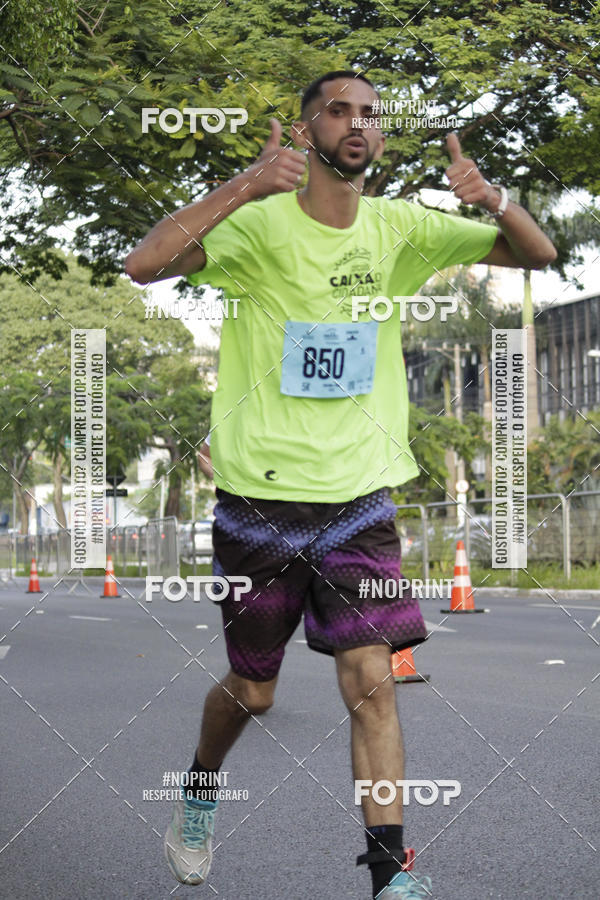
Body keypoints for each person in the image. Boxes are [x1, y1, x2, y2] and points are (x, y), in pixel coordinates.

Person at [126, 71, 556, 898]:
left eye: (372, 116)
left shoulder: (402, 228)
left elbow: (536, 252)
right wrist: (248, 181)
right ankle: (200, 789)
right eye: (340, 111)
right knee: (253, 690)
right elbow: (146, 263)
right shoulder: (256, 228)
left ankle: (390, 872)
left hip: (360, 498)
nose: (358, 125)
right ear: (306, 128)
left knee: (370, 680)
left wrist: (492, 195)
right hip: (260, 499)